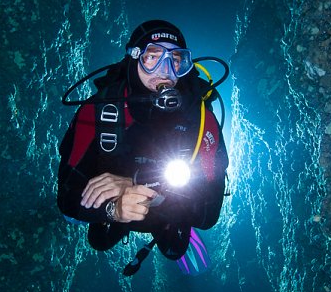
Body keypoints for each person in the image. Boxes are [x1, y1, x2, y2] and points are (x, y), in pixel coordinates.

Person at [57, 20, 228, 266]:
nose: (166, 71)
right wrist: (112, 211)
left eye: (176, 60)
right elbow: (65, 199)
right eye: (153, 57)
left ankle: (160, 227)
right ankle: (117, 222)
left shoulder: (201, 120)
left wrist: (139, 186)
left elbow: (209, 214)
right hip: (116, 206)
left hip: (170, 207)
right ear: (134, 57)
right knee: (99, 241)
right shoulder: (98, 112)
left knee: (174, 249)